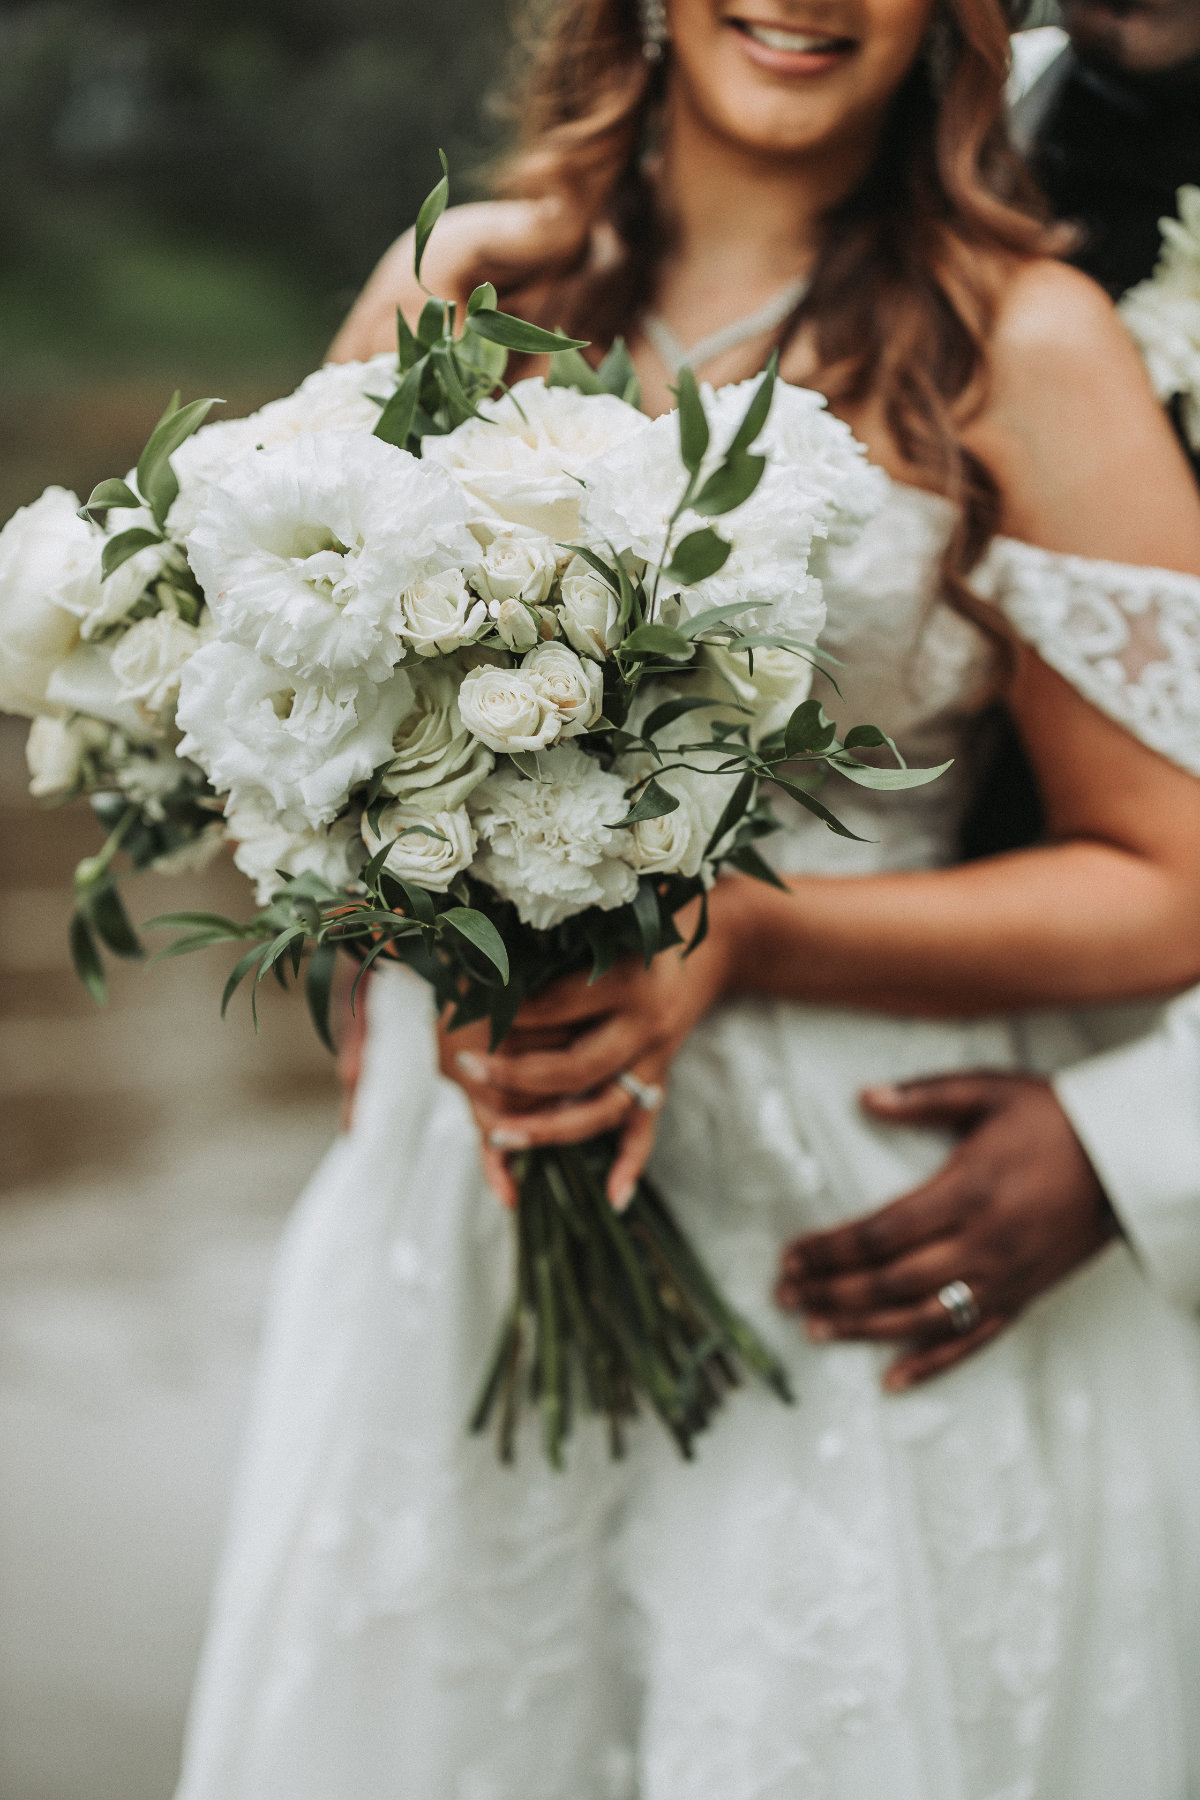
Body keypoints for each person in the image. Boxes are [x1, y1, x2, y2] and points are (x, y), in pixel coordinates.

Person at [175, 1, 1200, 1795]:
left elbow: (1176, 883)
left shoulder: (1024, 341)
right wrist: (404, 933)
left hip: (841, 1227)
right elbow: (268, 720)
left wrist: (756, 934)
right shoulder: (459, 292)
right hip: (466, 1207)